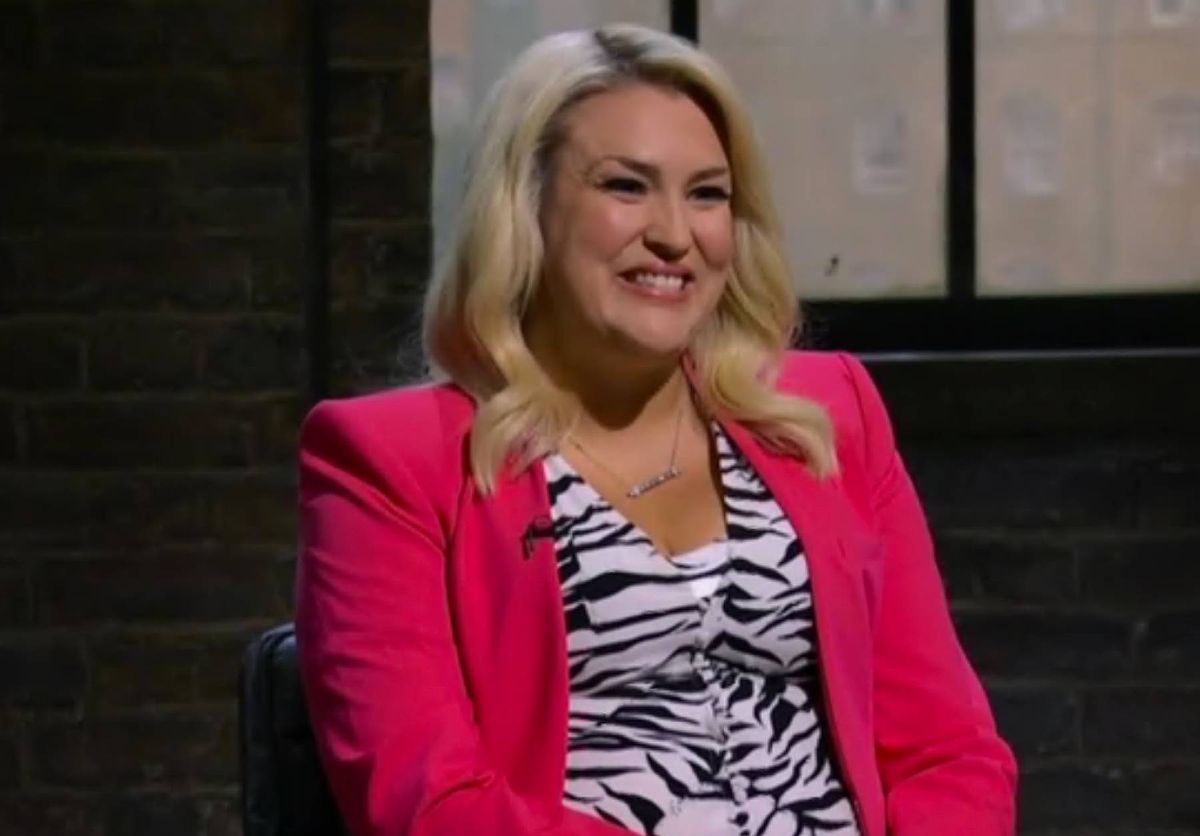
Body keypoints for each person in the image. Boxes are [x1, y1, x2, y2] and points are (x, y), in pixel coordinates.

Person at [295, 23, 1017, 836]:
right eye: (626, 187)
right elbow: (434, 805)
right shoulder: (393, 463)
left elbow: (948, 751)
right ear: (523, 206)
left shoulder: (827, 417)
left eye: (707, 193)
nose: (676, 233)